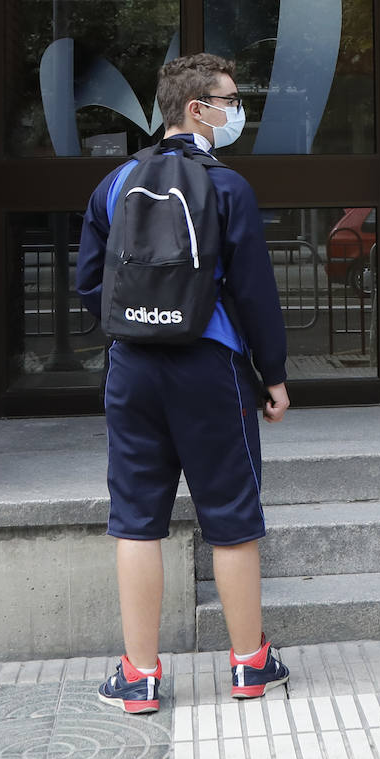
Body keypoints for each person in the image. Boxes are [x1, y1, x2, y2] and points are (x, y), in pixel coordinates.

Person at [76, 53, 291, 713]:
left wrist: (139, 329)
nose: (235, 111)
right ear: (197, 108)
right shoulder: (228, 187)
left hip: (132, 369)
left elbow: (90, 285)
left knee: (137, 519)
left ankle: (139, 676)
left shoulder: (114, 184)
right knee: (230, 517)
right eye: (229, 99)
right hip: (211, 367)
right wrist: (273, 376)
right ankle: (250, 665)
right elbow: (255, 294)